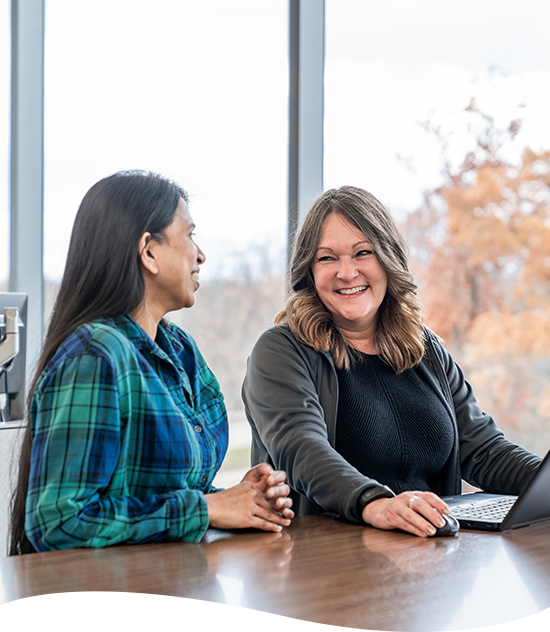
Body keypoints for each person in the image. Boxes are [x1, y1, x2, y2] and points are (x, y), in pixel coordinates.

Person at [9, 170, 293, 555]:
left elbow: (160, 494)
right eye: (189, 235)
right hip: (106, 610)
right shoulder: (95, 355)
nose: (201, 254)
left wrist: (242, 500)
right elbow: (59, 523)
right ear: (148, 251)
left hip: (170, 598)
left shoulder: (179, 348)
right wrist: (207, 508)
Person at [242, 186, 541, 538]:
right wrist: (376, 502)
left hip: (432, 557)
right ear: (308, 271)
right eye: (327, 258)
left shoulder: (424, 346)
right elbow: (303, 452)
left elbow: (485, 450)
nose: (346, 272)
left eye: (362, 253)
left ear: (388, 259)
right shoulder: (280, 351)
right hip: (323, 566)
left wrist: (544, 481)